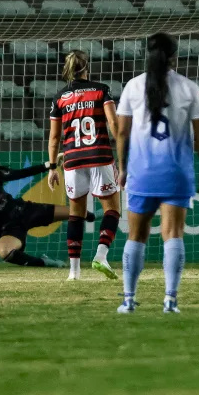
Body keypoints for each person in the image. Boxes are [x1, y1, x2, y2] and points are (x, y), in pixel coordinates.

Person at [115, 33, 199, 314]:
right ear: (174, 57)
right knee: (173, 234)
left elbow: (121, 131)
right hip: (177, 172)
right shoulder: (189, 88)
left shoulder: (133, 87)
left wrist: (122, 168)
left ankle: (129, 300)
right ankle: (170, 299)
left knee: (136, 235)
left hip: (142, 172)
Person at [47, 50, 121, 281]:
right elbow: (113, 123)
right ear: (87, 66)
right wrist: (122, 152)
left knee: (75, 214)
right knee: (112, 209)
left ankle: (74, 272)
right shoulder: (101, 89)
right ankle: (100, 255)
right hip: (99, 155)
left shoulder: (60, 97)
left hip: (73, 159)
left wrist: (52, 168)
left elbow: (53, 138)